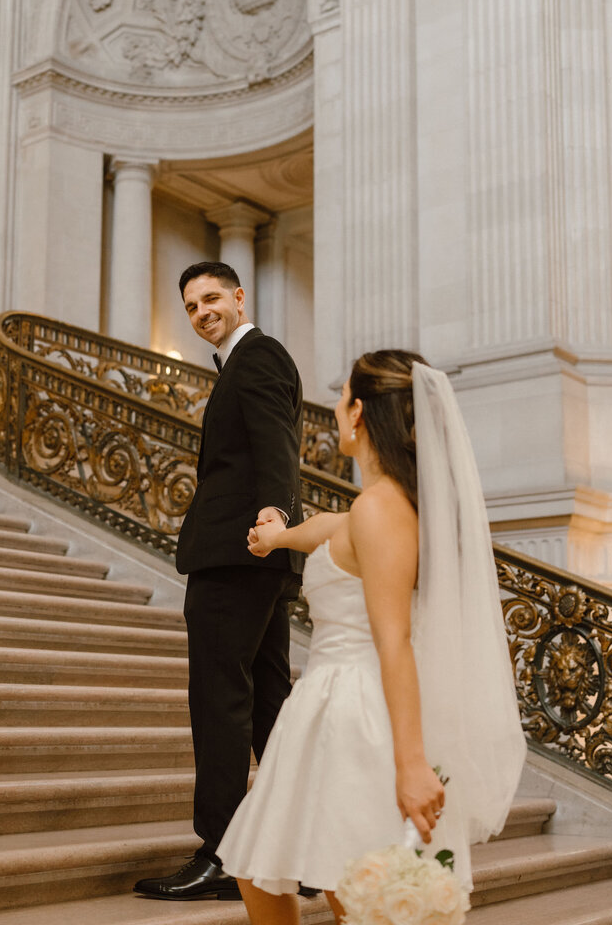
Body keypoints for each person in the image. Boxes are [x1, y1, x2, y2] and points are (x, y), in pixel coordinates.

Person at [217, 350, 527, 925]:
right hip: (330, 706)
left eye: (340, 398)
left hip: (359, 711)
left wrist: (410, 765)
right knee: (263, 867)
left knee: (357, 891)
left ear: (358, 412)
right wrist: (279, 537)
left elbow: (394, 640)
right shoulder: (381, 509)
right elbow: (327, 528)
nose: (335, 410)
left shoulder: (381, 510)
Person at [133, 261, 305, 901]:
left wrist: (275, 514)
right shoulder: (244, 361)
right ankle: (301, 850)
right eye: (191, 306)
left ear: (239, 297)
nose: (202, 312)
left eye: (211, 299)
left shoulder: (257, 356)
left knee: (219, 700)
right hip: (257, 556)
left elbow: (276, 443)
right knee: (269, 705)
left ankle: (224, 853)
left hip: (240, 553)